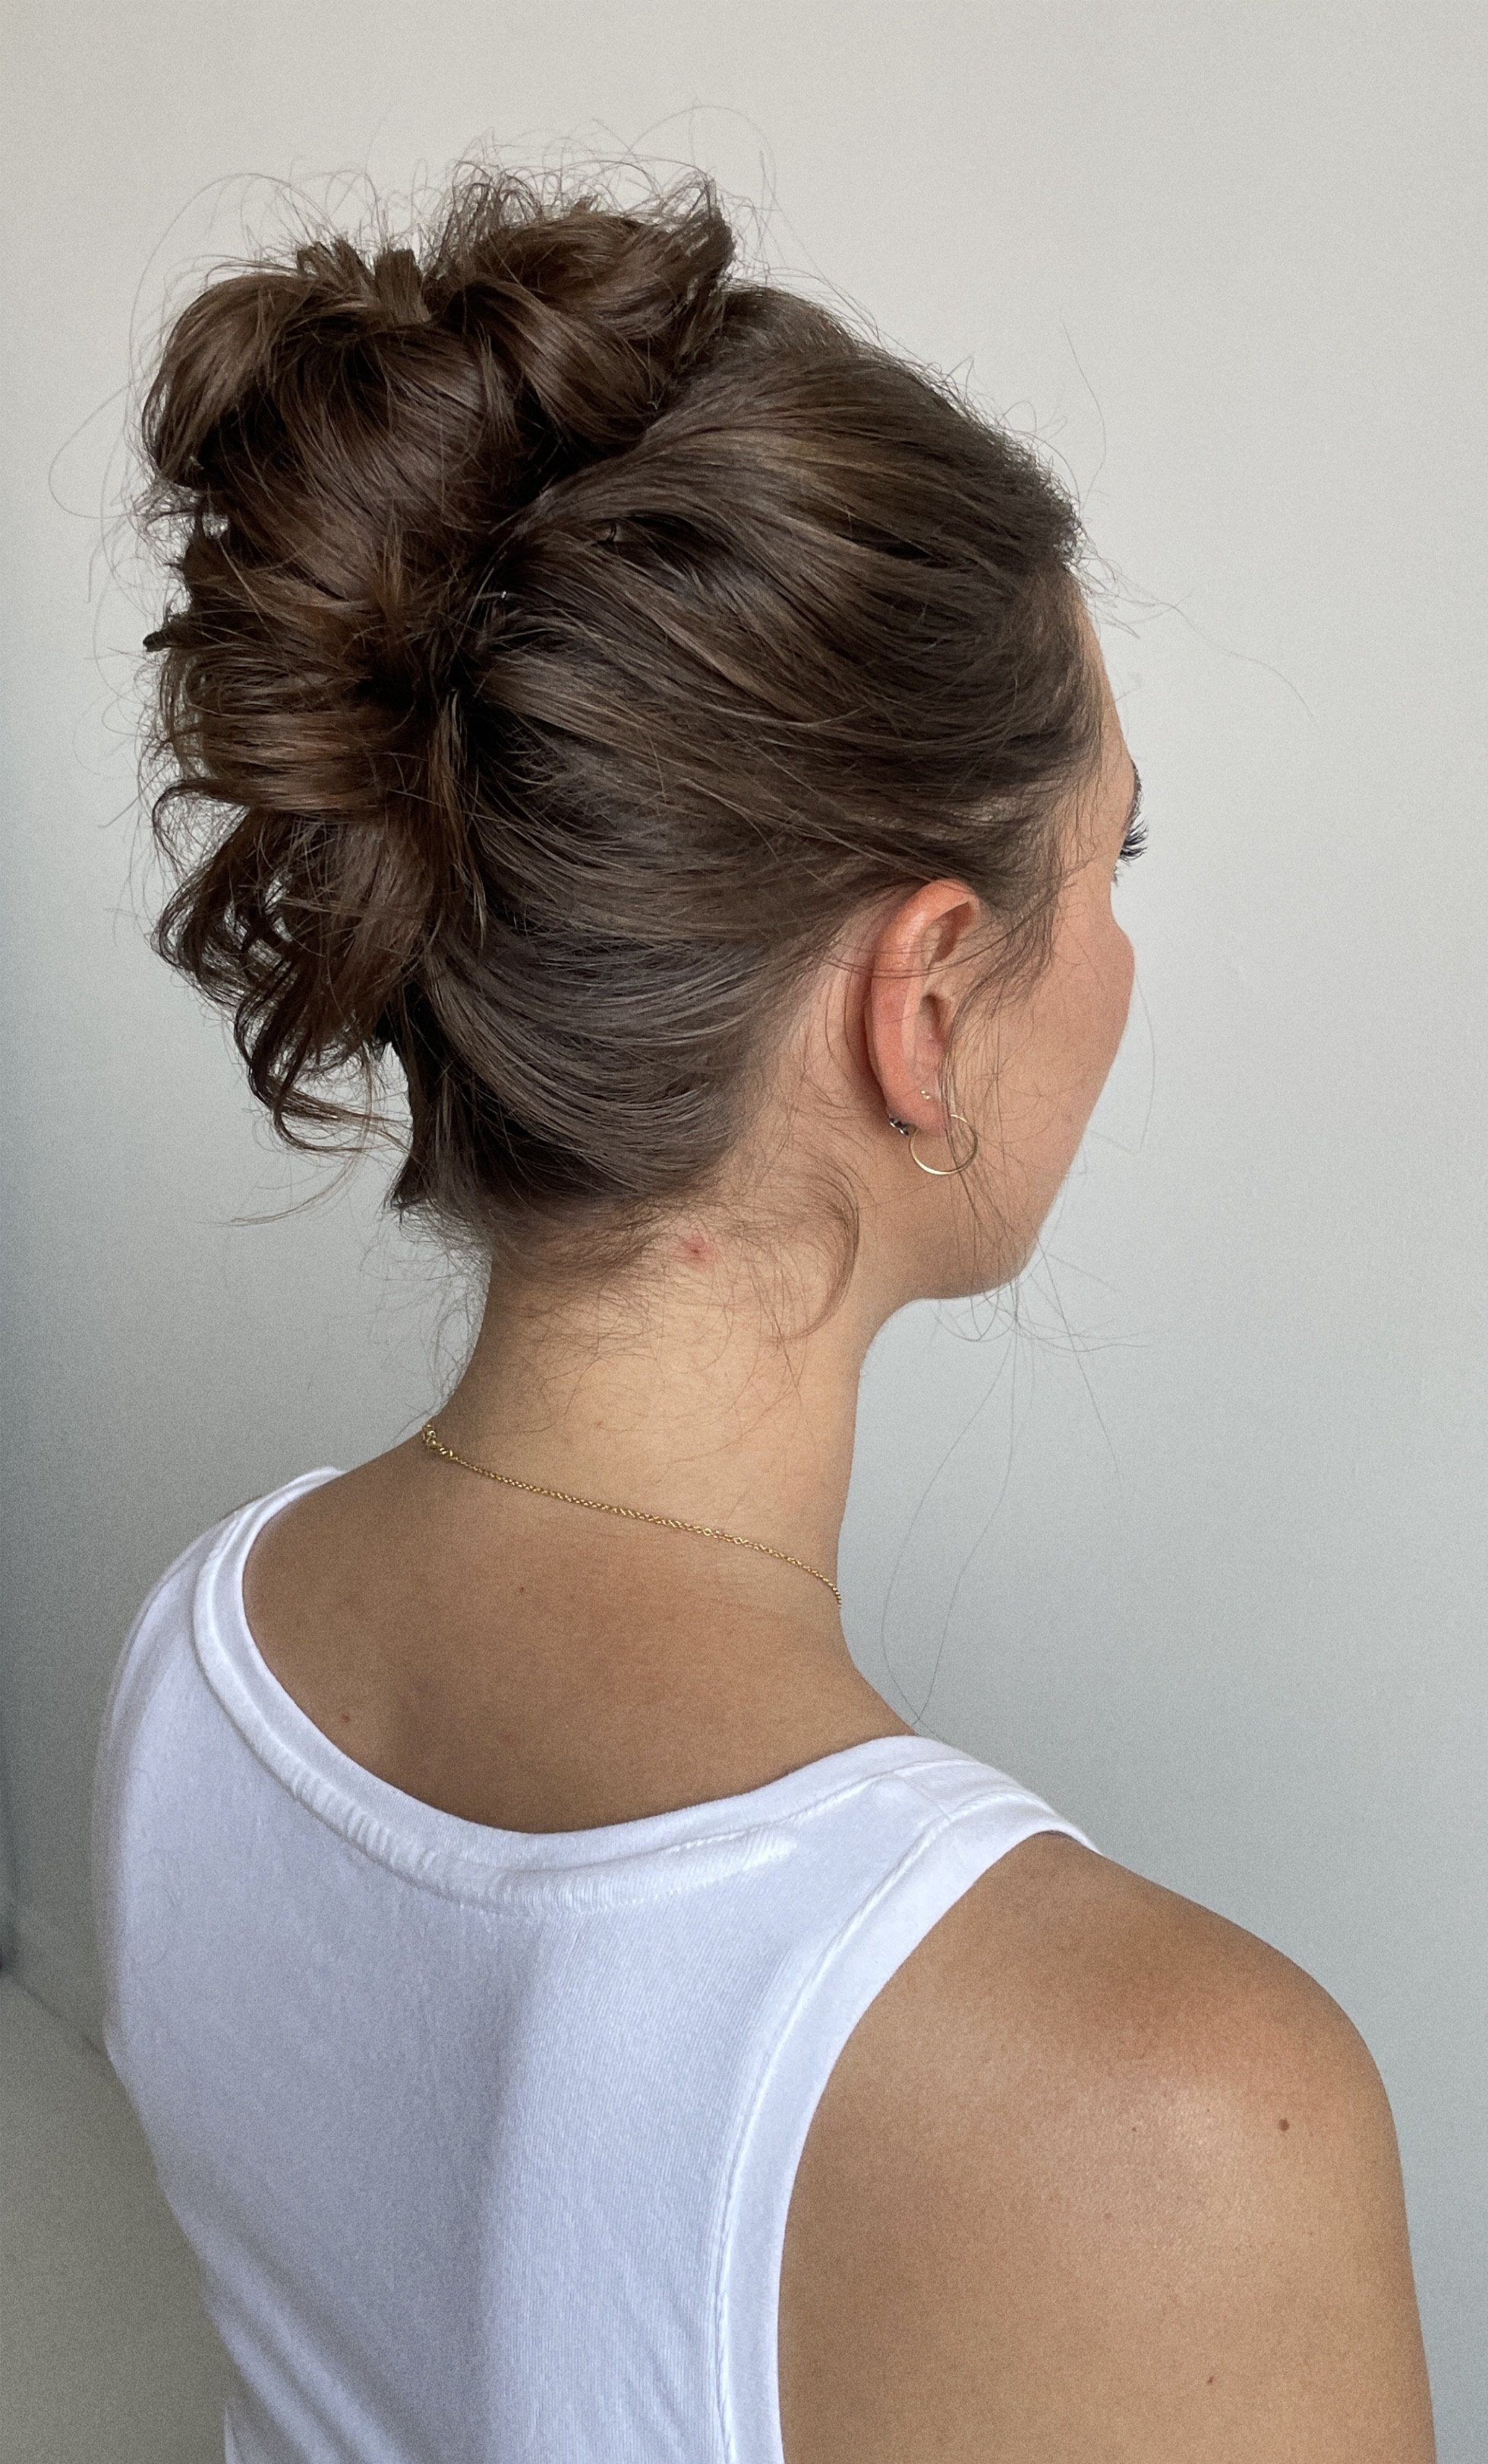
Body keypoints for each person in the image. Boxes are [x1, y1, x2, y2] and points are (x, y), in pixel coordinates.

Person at [93, 168, 1435, 2462]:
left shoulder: (204, 1648)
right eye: (1119, 859)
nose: (1116, 954)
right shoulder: (1184, 2123)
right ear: (923, 1006)